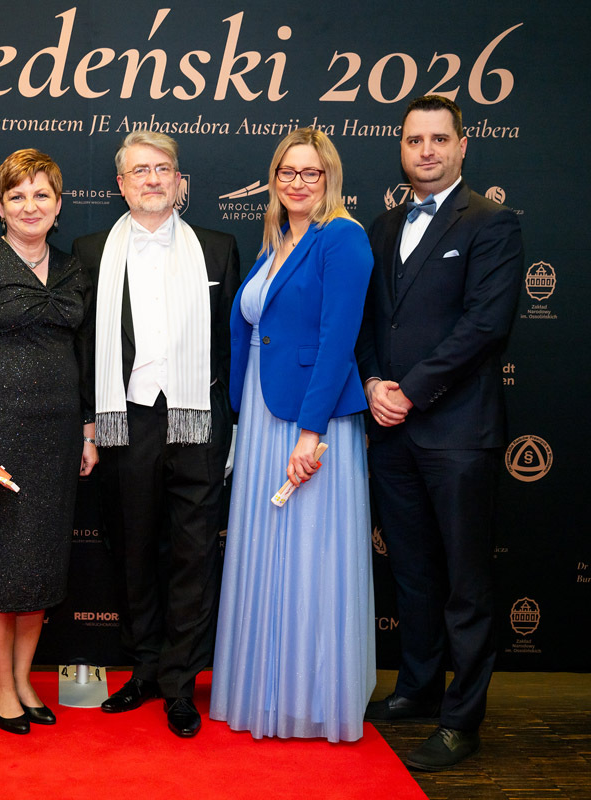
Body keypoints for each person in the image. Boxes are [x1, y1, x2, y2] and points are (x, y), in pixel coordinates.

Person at [357, 94, 524, 770]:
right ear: (401, 149)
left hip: (456, 433)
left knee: (465, 584)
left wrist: (410, 391)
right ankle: (418, 689)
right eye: (413, 140)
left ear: (461, 146)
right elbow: (369, 323)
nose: (425, 150)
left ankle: (461, 720)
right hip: (391, 434)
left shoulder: (491, 222)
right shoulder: (381, 226)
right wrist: (373, 383)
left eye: (438, 139)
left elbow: (485, 326)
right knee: (414, 575)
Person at [210, 128, 375, 741]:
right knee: (266, 552)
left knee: (309, 556)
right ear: (274, 178)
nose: (298, 183)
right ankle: (263, 691)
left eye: (310, 172)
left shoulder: (342, 237)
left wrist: (310, 431)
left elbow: (337, 341)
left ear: (329, 177)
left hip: (310, 416)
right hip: (260, 412)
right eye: (287, 171)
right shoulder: (277, 239)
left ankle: (310, 701)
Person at [73, 131, 239, 738]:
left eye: (162, 168)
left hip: (197, 418)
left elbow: (234, 345)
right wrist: (88, 422)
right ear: (121, 184)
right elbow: (82, 347)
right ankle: (143, 668)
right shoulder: (90, 251)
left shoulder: (218, 248)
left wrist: (234, 423)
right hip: (127, 419)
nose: (152, 179)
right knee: (133, 548)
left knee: (194, 555)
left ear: (179, 181)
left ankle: (179, 683)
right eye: (139, 170)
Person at [0, 149, 96, 736]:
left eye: (41, 195)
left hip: (58, 437)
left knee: (40, 568)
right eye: (17, 196)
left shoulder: (74, 268)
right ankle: (0, 684)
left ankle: (26, 679)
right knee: (0, 567)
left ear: (58, 204)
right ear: (0, 206)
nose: (31, 206)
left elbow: (85, 357)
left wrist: (87, 431)